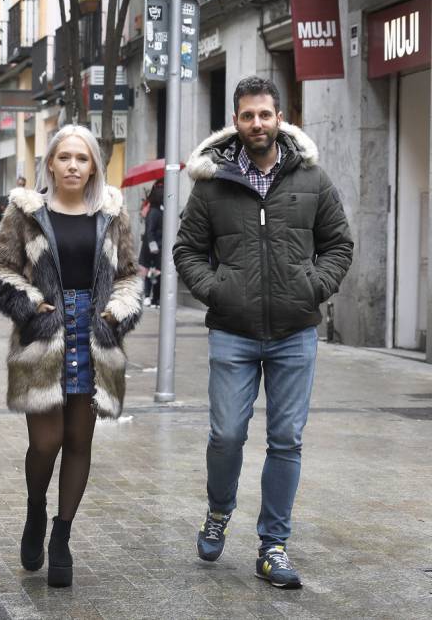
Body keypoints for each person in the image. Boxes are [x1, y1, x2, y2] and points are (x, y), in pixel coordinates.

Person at [175, 76, 353, 589]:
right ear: (236, 121)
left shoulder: (311, 180)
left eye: (265, 115)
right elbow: (186, 249)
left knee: (286, 439)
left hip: (295, 331)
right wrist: (218, 290)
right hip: (232, 329)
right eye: (248, 115)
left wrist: (312, 287)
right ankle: (218, 510)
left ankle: (273, 546)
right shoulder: (212, 184)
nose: (257, 123)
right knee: (227, 434)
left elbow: (339, 243)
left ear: (280, 119)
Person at [0, 124, 142, 588]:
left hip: (95, 335)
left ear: (93, 165)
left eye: (82, 158)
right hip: (45, 336)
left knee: (79, 441)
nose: (73, 165)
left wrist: (117, 311)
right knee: (46, 443)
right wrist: (29, 304)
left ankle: (61, 536)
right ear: (50, 163)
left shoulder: (112, 214)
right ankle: (35, 508)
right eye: (65, 157)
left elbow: (130, 275)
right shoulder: (27, 212)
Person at [138, 180, 164, 307]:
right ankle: (149, 296)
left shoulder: (157, 210)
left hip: (155, 247)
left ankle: (153, 298)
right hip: (153, 249)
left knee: (153, 273)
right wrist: (154, 246)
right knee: (151, 273)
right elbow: (150, 231)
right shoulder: (154, 212)